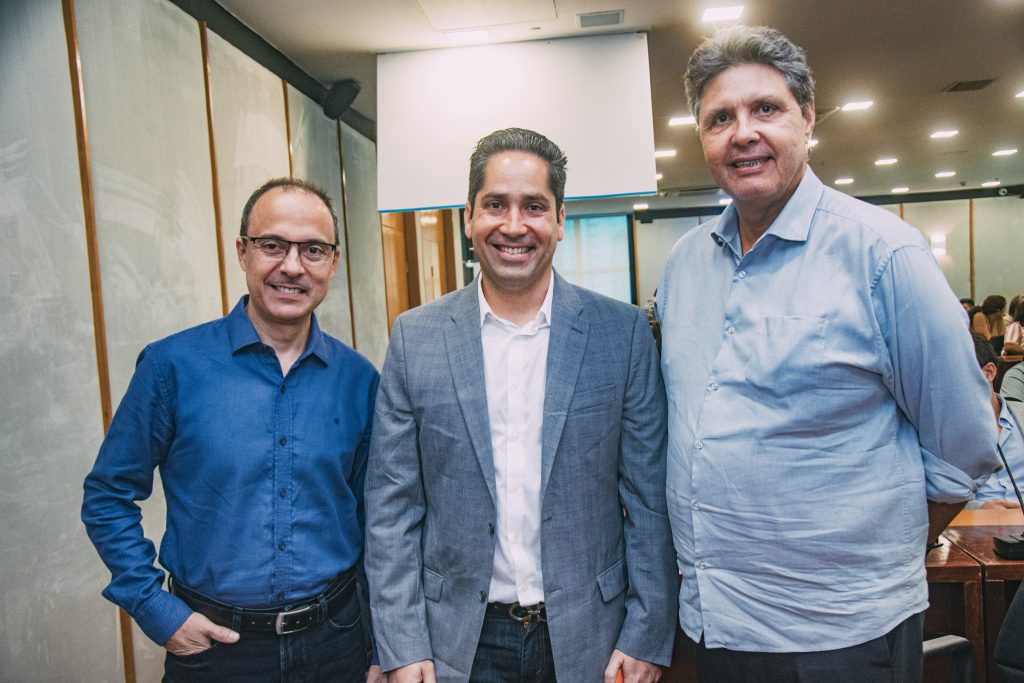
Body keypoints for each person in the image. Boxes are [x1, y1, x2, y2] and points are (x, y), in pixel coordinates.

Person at [657, 26, 1000, 681]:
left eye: (766, 108)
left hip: (842, 632)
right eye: (720, 118)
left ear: (808, 117)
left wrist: (876, 551)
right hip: (715, 623)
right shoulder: (684, 265)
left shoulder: (884, 255)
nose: (743, 133)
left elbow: (965, 445)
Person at [365, 128, 676, 683]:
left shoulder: (622, 333)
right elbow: (392, 508)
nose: (513, 226)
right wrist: (402, 646)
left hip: (592, 637)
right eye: (495, 205)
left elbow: (649, 500)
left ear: (560, 219)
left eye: (534, 206)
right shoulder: (415, 338)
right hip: (456, 642)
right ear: (468, 217)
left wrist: (647, 634)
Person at [82, 178, 382, 682]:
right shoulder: (171, 367)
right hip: (216, 651)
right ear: (243, 252)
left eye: (312, 250)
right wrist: (155, 608)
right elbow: (108, 496)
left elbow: (376, 520)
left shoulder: (359, 379)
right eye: (273, 245)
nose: (292, 266)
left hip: (338, 643)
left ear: (333, 263)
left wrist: (382, 643)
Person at [966, 334, 1024, 509]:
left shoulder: (1020, 415)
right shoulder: (941, 435)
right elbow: (934, 503)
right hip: (977, 523)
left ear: (989, 373)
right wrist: (981, 509)